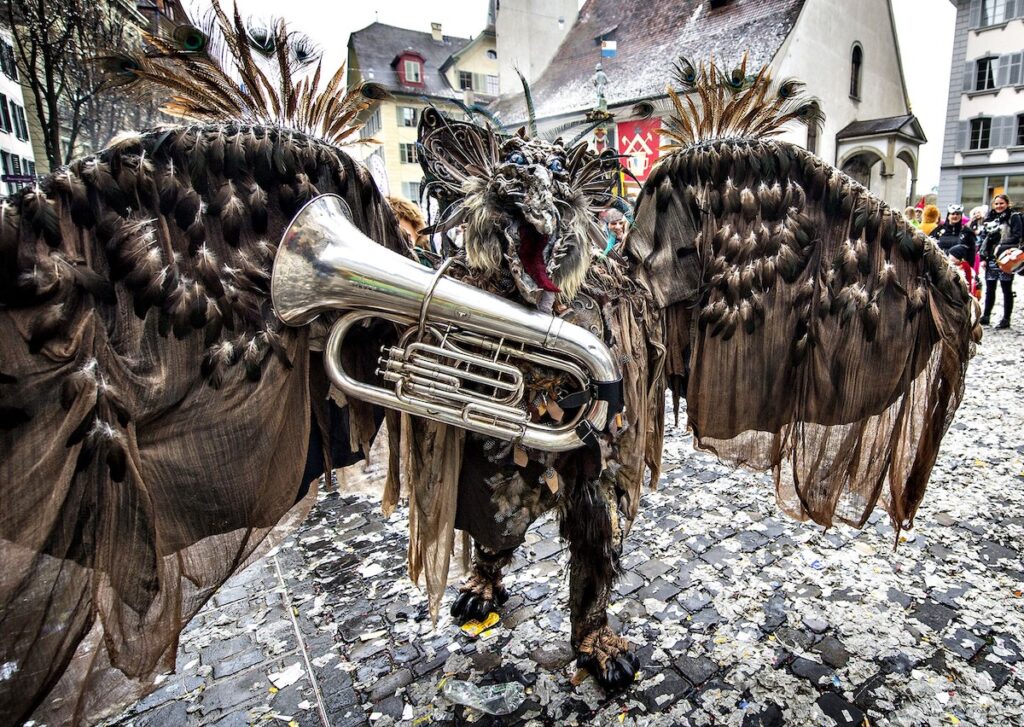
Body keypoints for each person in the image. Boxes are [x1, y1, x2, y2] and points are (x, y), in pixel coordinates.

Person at [979, 193, 1022, 328]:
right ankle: (986, 315)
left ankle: (1006, 318)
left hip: (1006, 257)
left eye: (1001, 203)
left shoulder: (1013, 217)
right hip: (991, 257)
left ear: (1007, 204)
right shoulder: (990, 218)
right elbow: (984, 238)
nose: (999, 206)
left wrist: (1004, 246)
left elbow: (1018, 235)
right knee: (990, 288)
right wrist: (983, 257)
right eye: (996, 204)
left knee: (1006, 288)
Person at [931, 204, 978, 295]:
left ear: (961, 216)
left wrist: (971, 269)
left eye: (958, 214)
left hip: (960, 271)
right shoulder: (938, 230)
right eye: (952, 214)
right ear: (948, 215)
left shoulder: (967, 232)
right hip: (940, 268)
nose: (955, 216)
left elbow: (972, 252)